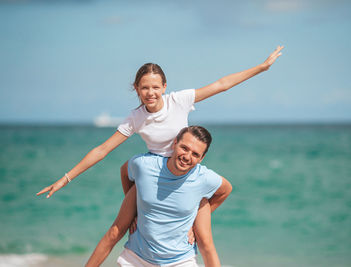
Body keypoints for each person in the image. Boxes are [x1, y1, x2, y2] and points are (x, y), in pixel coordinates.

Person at [37, 46, 284, 266]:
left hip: (185, 174)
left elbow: (221, 84)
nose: (150, 92)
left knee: (204, 240)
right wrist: (66, 178)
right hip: (153, 173)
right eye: (144, 87)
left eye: (156, 87)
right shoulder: (136, 117)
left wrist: (262, 68)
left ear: (164, 87)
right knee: (115, 232)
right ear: (136, 89)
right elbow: (103, 151)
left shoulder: (179, 100)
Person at [86, 126, 232, 267]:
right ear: (175, 143)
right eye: (184, 148)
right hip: (136, 259)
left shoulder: (204, 178)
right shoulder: (145, 165)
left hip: (180, 261)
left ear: (201, 158)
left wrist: (194, 220)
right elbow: (125, 172)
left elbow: (225, 190)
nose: (187, 157)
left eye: (195, 154)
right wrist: (136, 206)